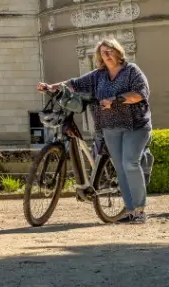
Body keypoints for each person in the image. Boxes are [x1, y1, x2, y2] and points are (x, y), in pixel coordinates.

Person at [38, 37, 151, 224]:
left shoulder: (132, 71)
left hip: (135, 126)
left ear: (118, 51)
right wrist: (52, 87)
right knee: (120, 169)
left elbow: (140, 94)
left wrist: (115, 100)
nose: (107, 55)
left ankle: (140, 211)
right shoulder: (98, 75)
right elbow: (74, 83)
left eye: (110, 51)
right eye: (103, 53)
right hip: (109, 127)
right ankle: (130, 211)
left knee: (130, 163)